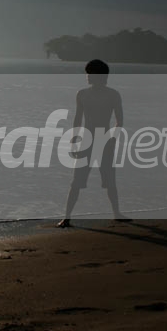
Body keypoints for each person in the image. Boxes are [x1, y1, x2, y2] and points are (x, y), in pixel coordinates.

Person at [57, 59, 130, 227]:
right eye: (87, 73)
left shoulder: (113, 94)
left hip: (105, 140)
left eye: (90, 73)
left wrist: (112, 138)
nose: (87, 76)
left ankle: (117, 213)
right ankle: (66, 217)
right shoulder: (82, 94)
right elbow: (78, 118)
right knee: (77, 181)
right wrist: (74, 140)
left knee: (110, 180)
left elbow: (119, 121)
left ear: (100, 75)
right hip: (86, 141)